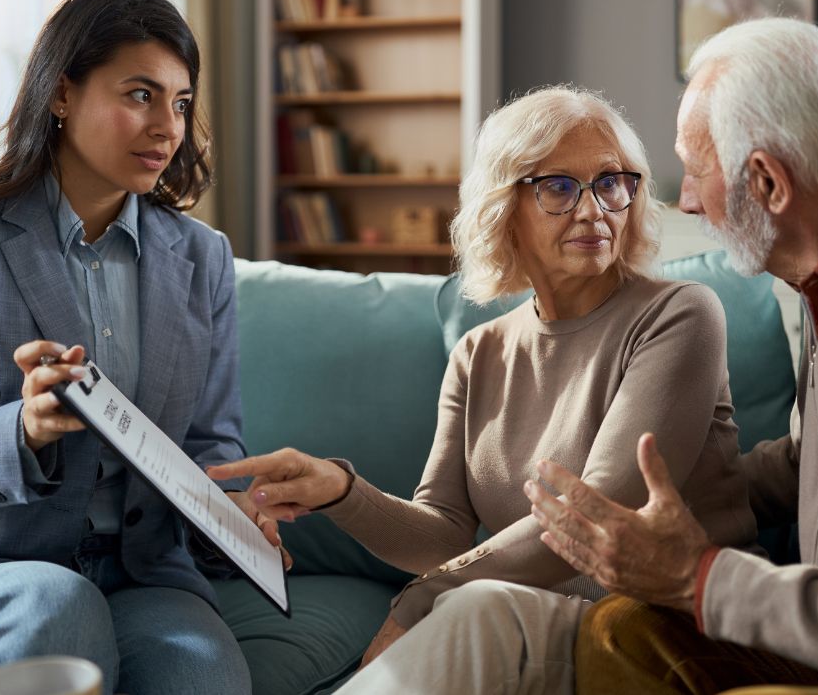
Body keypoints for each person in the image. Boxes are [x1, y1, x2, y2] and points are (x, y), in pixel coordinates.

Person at [206, 85, 758, 692]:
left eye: (610, 182)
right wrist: (342, 490)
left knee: (473, 609)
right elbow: (443, 532)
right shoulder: (481, 351)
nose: (593, 210)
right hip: (543, 613)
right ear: (504, 207)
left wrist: (427, 595)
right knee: (474, 606)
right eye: (557, 186)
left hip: (660, 625)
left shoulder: (680, 314)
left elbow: (592, 518)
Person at [0, 0, 276, 695]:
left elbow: (208, 444)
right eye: (140, 94)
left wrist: (237, 512)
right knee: (53, 607)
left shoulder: (202, 258)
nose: (168, 125)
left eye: (181, 101)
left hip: (138, 577)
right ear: (62, 94)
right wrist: (21, 430)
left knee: (205, 674)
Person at [527, 18, 818, 694]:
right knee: (619, 630)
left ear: (767, 181)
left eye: (693, 170)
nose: (683, 200)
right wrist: (672, 487)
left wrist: (698, 575)